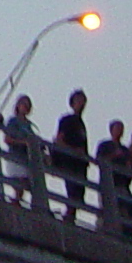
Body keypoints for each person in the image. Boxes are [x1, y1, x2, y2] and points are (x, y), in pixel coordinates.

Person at [51, 90, 93, 223]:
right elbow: (59, 140)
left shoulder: (81, 124)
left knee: (78, 195)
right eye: (79, 101)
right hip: (69, 162)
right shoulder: (67, 120)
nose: (82, 104)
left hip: (80, 164)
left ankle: (70, 218)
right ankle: (68, 219)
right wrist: (74, 151)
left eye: (83, 101)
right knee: (72, 191)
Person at [1, 93, 42, 209]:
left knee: (29, 184)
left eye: (28, 105)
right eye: (24, 104)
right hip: (15, 157)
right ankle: (15, 204)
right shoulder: (13, 121)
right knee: (20, 183)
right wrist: (23, 142)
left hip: (26, 159)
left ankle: (21, 204)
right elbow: (7, 138)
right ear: (18, 106)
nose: (26, 107)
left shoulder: (29, 126)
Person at [94, 120, 132, 239]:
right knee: (107, 208)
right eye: (117, 129)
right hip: (108, 182)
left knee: (124, 211)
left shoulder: (125, 150)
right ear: (111, 130)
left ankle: (120, 235)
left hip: (122, 184)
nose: (120, 132)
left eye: (121, 129)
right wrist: (114, 156)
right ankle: (102, 232)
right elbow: (99, 160)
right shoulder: (105, 145)